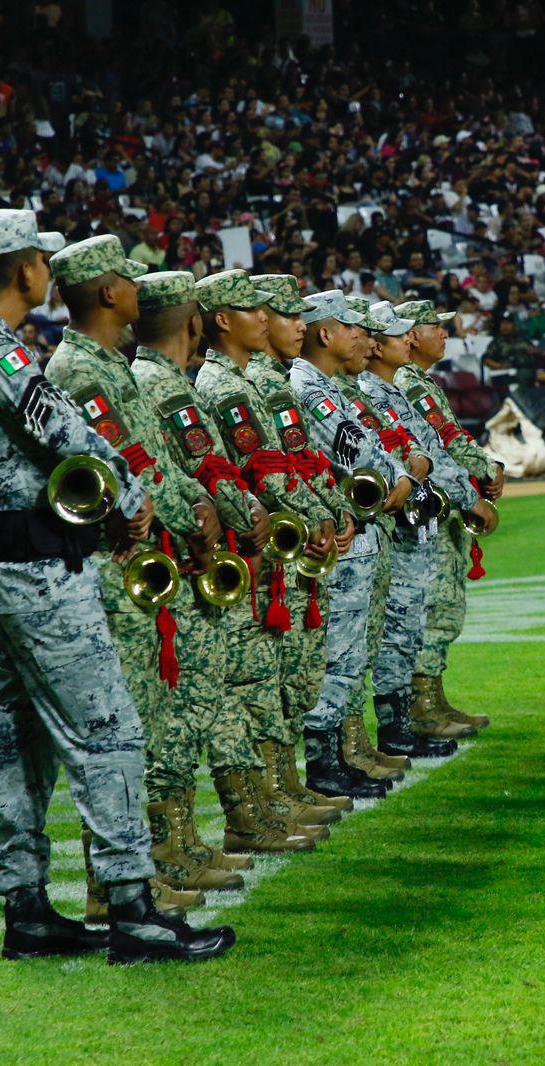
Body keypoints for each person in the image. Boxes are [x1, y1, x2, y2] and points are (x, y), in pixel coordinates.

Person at [0, 208, 232, 963]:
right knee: (109, 734)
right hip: (41, 571)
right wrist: (129, 500)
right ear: (25, 269)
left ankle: (27, 909)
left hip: (17, 566)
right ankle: (132, 911)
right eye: (41, 259)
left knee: (21, 743)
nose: (46, 270)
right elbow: (65, 434)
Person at [44, 235, 271, 889]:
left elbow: (158, 461)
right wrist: (191, 510)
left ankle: (167, 853)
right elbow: (131, 468)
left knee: (155, 719)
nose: (139, 291)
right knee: (125, 725)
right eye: (130, 279)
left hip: (151, 553)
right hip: (119, 565)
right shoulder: (83, 372)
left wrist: (195, 502)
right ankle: (121, 879)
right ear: (109, 292)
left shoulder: (108, 365)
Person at [130, 271, 338, 839]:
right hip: (199, 557)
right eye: (256, 309)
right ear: (204, 319)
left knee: (251, 683)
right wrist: (250, 517)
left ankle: (262, 800)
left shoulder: (178, 379)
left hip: (227, 549)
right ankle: (224, 822)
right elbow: (212, 471)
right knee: (211, 696)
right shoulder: (181, 384)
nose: (271, 320)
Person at [194, 271, 351, 821]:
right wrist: (319, 516)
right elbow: (262, 472)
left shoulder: (260, 379)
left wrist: (329, 511)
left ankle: (282, 787)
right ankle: (263, 801)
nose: (279, 322)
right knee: (256, 681)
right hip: (261, 555)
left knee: (285, 677)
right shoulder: (229, 385)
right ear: (220, 319)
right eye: (263, 311)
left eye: (277, 311)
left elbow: (295, 461)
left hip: (287, 544)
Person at [291, 290, 421, 796]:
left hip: (362, 529)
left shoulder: (329, 385)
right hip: (345, 534)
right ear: (327, 332)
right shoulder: (310, 388)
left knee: (351, 655)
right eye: (353, 328)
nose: (364, 339)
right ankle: (325, 765)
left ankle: (340, 755)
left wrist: (401, 477)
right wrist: (398, 480)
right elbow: (361, 454)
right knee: (338, 654)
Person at [393, 299, 505, 739]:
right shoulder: (410, 383)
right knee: (434, 610)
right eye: (432, 327)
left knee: (443, 610)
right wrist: (486, 469)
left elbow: (450, 438)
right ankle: (422, 706)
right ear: (409, 334)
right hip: (431, 513)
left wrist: (486, 466)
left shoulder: (421, 380)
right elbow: (448, 443)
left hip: (441, 507)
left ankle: (432, 699)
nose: (444, 334)